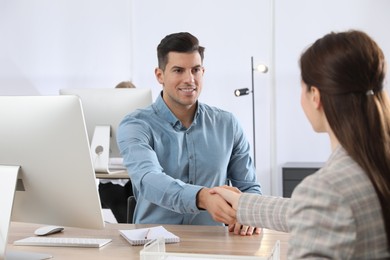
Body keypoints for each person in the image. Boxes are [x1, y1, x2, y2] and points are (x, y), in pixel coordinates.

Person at [210, 30, 390, 258]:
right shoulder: (373, 166)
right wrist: (243, 204)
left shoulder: (328, 189)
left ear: (315, 95)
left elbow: (323, 206)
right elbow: (313, 212)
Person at [117, 32, 261, 235]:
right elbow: (148, 179)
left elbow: (249, 187)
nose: (189, 79)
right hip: (153, 244)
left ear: (203, 71)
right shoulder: (136, 125)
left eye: (195, 70)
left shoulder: (228, 124)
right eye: (178, 70)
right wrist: (202, 198)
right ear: (160, 75)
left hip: (215, 244)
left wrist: (249, 213)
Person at [98, 80, 135, 223]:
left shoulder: (140, 124)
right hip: (110, 182)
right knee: (126, 218)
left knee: (141, 208)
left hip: (133, 180)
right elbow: (98, 158)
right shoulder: (103, 122)